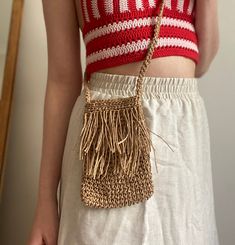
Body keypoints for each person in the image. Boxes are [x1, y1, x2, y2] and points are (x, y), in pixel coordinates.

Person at [28, 0, 220, 244]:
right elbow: (62, 80)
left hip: (181, 137)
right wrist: (45, 201)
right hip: (106, 138)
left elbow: (201, 63)